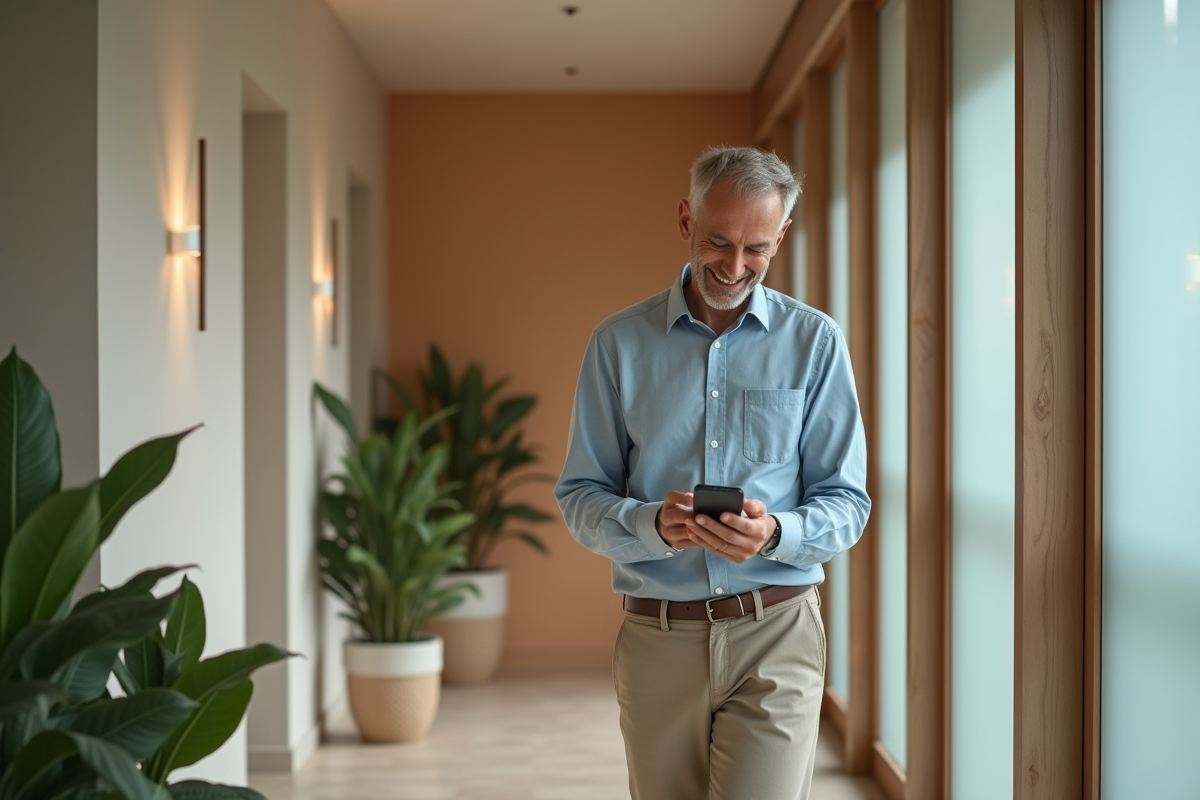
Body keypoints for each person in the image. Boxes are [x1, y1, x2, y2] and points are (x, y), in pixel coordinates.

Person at [554, 146, 870, 800]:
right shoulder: (617, 345)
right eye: (717, 241)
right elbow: (580, 495)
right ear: (683, 221)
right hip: (657, 638)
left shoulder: (815, 342)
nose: (734, 266)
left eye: (756, 247)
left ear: (781, 237)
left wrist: (777, 532)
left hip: (776, 632)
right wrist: (651, 526)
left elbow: (847, 502)